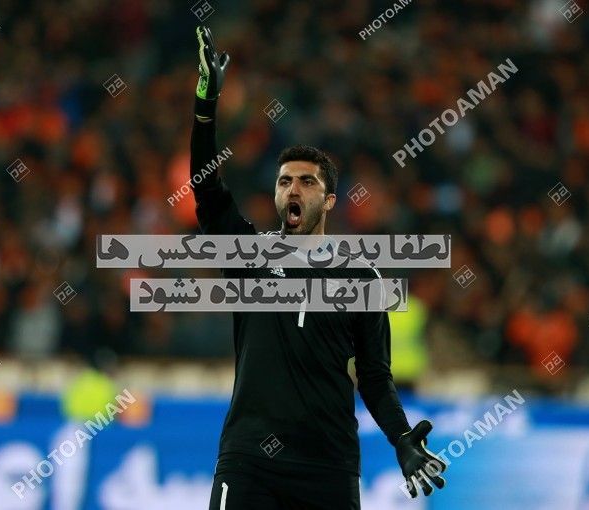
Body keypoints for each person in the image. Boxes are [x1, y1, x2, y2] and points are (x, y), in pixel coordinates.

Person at [190, 26, 446, 509]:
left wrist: (401, 438)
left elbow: (374, 376)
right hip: (249, 462)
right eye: (284, 181)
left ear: (328, 201)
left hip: (327, 467)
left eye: (307, 182)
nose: (293, 189)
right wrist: (206, 108)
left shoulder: (362, 279)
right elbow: (206, 191)